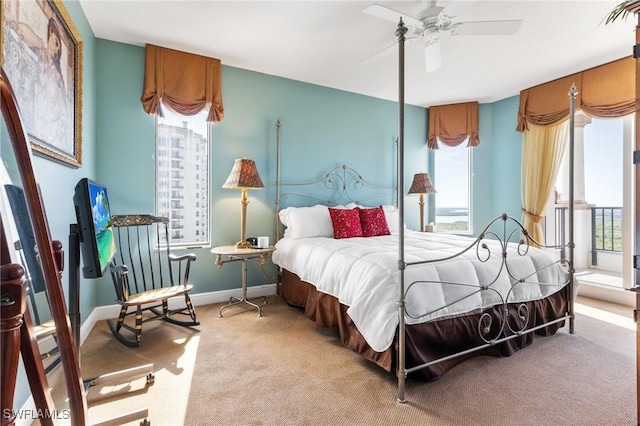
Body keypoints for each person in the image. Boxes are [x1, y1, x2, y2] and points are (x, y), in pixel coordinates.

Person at [10, 17, 65, 89]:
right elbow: (20, 27)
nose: (56, 50)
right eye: (56, 43)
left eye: (59, 51)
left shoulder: (57, 75)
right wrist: (40, 44)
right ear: (50, 32)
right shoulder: (39, 47)